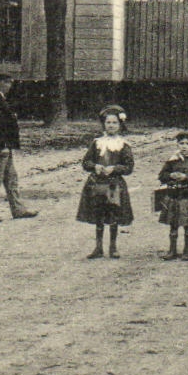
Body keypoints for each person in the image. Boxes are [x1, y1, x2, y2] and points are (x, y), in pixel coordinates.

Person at [77, 105, 135, 259]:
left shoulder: (124, 145)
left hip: (114, 184)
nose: (111, 125)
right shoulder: (97, 143)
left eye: (114, 123)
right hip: (97, 184)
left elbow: (129, 167)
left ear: (120, 125)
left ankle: (113, 247)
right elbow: (85, 162)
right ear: (104, 124)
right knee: (99, 216)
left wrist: (115, 168)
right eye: (108, 122)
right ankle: (98, 247)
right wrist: (95, 166)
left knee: (113, 214)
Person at [0, 74, 37, 222]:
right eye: (7, 82)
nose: (9, 85)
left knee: (11, 178)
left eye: (10, 82)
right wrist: (3, 145)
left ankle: (17, 209)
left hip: (4, 146)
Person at [156, 131, 188, 260]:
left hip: (187, 198)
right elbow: (161, 176)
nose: (184, 146)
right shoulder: (172, 161)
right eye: (181, 143)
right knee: (173, 226)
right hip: (173, 196)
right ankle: (172, 250)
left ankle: (187, 251)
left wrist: (186, 177)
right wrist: (170, 176)